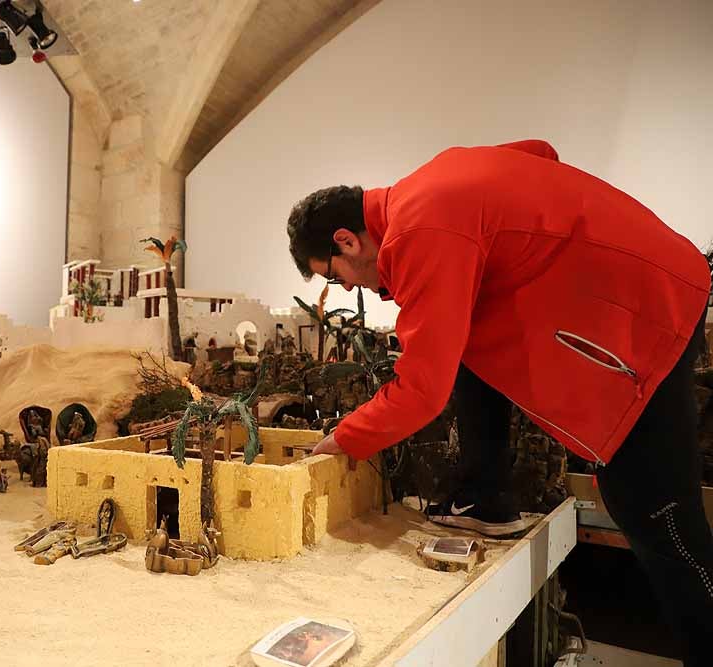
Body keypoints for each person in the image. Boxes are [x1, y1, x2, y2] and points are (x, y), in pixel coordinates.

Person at [286, 139, 712, 666]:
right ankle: (486, 501)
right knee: (464, 339)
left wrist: (343, 438)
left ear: (347, 241)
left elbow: (423, 388)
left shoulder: (422, 229)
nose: (348, 287)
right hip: (658, 284)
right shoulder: (434, 182)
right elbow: (541, 151)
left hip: (649, 310)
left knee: (657, 513)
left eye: (334, 276)